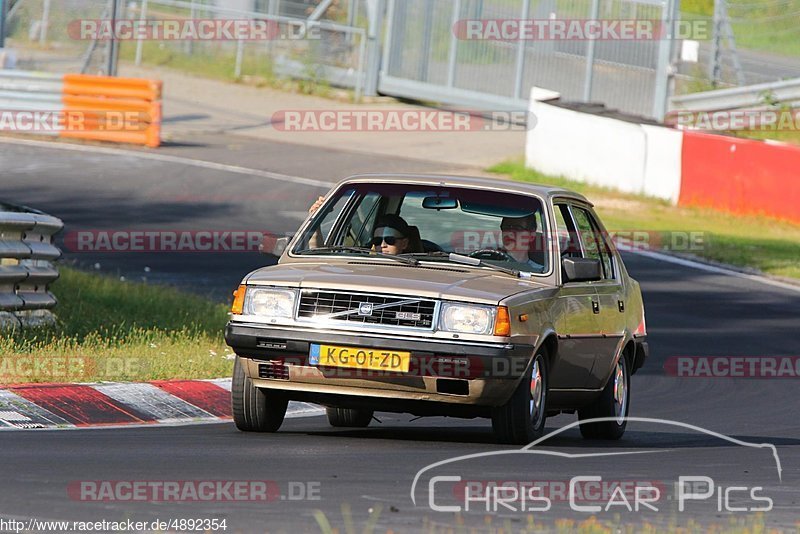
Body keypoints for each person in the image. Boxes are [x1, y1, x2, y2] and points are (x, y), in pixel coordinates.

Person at [308, 197, 413, 255]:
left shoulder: (416, 273)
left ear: (404, 243)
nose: (382, 245)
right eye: (377, 241)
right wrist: (316, 218)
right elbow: (318, 254)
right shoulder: (362, 263)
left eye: (390, 240)